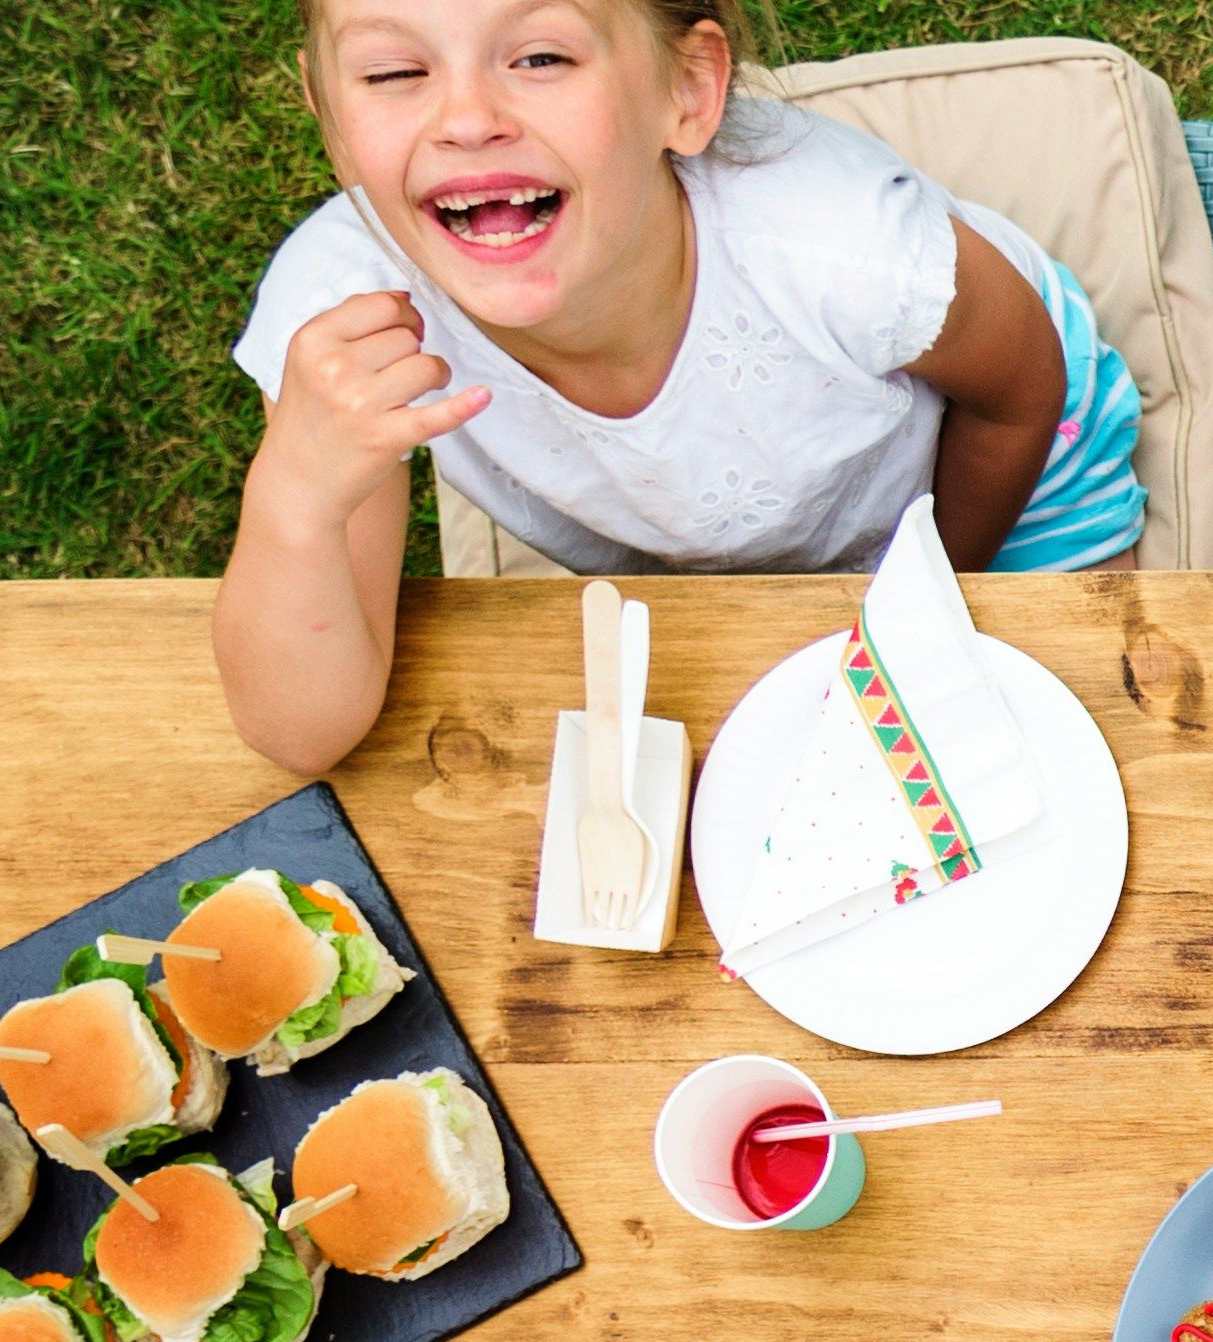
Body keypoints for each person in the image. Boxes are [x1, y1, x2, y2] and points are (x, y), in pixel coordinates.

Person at [218, 0, 1150, 774]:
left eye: (539, 56)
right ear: (330, 114)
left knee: (1069, 746)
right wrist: (295, 496)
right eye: (392, 73)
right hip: (727, 552)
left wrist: (921, 597)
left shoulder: (855, 253)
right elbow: (305, 733)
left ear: (689, 89)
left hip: (1002, 478)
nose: (465, 117)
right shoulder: (345, 324)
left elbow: (1023, 390)